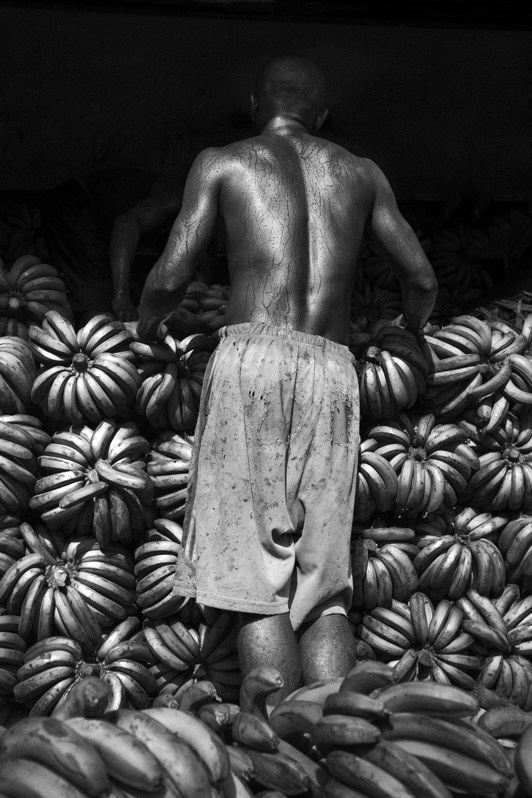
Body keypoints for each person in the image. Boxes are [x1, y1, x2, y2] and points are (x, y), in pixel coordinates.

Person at [137, 54, 438, 703]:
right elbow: (422, 279)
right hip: (335, 369)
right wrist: (411, 332)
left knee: (255, 575)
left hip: (251, 362)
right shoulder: (361, 173)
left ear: (254, 103)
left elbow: (170, 274)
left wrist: (147, 323)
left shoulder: (223, 160)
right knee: (324, 590)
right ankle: (337, 733)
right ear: (322, 116)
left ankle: (272, 729)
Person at [41, 167, 223, 326]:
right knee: (97, 302)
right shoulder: (183, 197)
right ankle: (89, 351)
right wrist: (121, 296)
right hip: (77, 204)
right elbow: (126, 225)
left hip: (103, 226)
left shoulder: (209, 230)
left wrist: (197, 304)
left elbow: (201, 270)